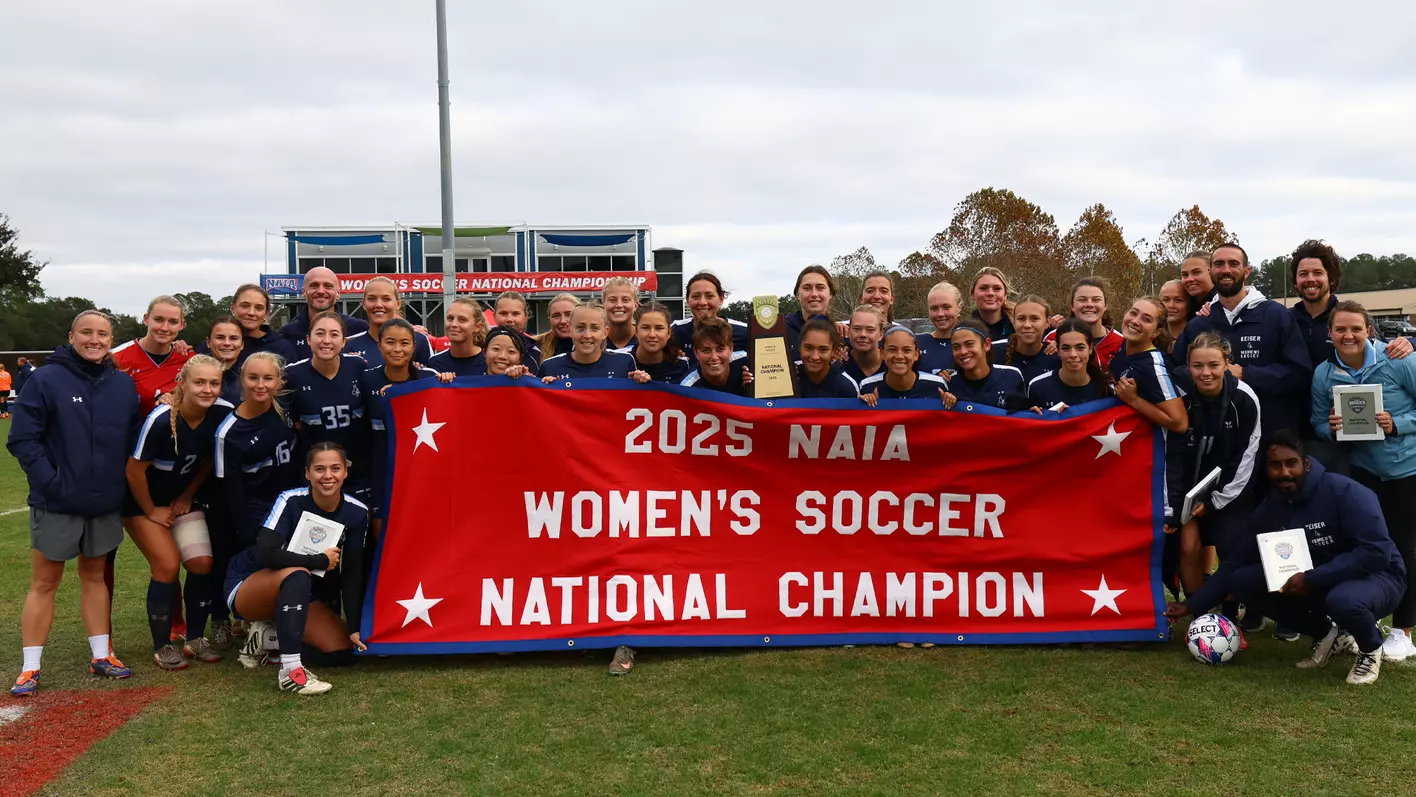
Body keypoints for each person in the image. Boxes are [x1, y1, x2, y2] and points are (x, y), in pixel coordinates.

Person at [1166, 432, 1405, 686]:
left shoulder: (1346, 492)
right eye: (1275, 465)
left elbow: (1376, 553)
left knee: (1343, 600)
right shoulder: (1273, 505)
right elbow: (1237, 560)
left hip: (1380, 576)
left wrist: (1313, 578)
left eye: (1291, 463)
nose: (1284, 472)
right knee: (1242, 581)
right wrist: (1192, 605)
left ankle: (1370, 649)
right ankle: (1328, 635)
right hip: (1321, 576)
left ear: (1306, 464)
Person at [7, 310, 141, 695]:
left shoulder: (121, 385)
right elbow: (22, 440)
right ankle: (30, 667)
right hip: (57, 501)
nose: (94, 339)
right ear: (71, 335)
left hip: (104, 502)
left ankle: (102, 655)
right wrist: (51, 482)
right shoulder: (46, 378)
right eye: (87, 332)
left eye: (102, 333)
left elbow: (131, 442)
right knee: (45, 582)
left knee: (94, 577)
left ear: (111, 338)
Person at [1310, 301, 1416, 661]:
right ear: (1330, 335)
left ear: (1368, 330)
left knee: (1405, 547)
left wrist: (1398, 424)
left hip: (1406, 469)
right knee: (1364, 548)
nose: (1348, 335)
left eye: (1355, 328)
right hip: (1363, 473)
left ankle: (1403, 631)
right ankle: (1359, 622)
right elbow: (1318, 424)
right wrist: (1333, 430)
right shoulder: (1325, 373)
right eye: (1340, 329)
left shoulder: (1398, 358)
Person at [226, 442, 368, 695]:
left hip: (300, 590)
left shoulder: (357, 512)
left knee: (341, 651)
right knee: (298, 574)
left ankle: (268, 636)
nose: (328, 476)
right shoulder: (290, 500)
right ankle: (290, 672)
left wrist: (355, 626)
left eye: (335, 468)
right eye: (319, 469)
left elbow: (352, 572)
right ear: (307, 473)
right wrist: (317, 561)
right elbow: (264, 553)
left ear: (345, 471)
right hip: (251, 582)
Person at [124, 355, 235, 670]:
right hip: (141, 503)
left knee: (201, 562)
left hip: (179, 501)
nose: (207, 389)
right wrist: (150, 510)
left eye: (214, 383)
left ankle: (195, 639)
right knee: (167, 564)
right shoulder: (161, 420)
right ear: (181, 385)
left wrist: (187, 494)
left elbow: (210, 461)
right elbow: (134, 472)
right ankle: (162, 646)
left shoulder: (222, 413)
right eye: (199, 382)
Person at [1289, 240, 1413, 474]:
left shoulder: (1346, 316)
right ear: (1295, 281)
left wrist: (1408, 343)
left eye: (1318, 272)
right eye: (1303, 274)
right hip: (1305, 428)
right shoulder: (1284, 320)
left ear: (1331, 278)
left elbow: (1379, 351)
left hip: (1355, 436)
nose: (1310, 279)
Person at [1175, 243, 1311, 441]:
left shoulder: (1275, 315)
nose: (1226, 270)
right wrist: (1208, 375)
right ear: (1211, 272)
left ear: (1246, 271)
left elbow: (1300, 373)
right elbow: (1177, 372)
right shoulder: (1199, 324)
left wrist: (1247, 374)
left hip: (1271, 436)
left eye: (1233, 264)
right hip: (1214, 437)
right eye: (1219, 264)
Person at [1164, 333, 1262, 600]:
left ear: (1227, 363)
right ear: (1188, 365)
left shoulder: (1244, 398)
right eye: (1197, 366)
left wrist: (1216, 501)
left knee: (1231, 546)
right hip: (1187, 493)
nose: (1205, 373)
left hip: (1227, 491)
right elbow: (1168, 455)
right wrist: (1174, 504)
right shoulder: (1177, 394)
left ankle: (1230, 616)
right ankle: (1198, 612)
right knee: (1188, 544)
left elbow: (1246, 458)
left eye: (1213, 365)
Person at [360, 319, 453, 532]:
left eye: (404, 343)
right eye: (390, 342)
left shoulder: (430, 379)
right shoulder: (366, 379)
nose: (397, 349)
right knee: (383, 538)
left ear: (414, 346)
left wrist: (448, 383)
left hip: (421, 472)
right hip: (381, 471)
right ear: (379, 345)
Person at [283, 312, 372, 503]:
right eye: (320, 333)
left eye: (334, 334)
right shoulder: (292, 375)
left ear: (344, 341)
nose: (326, 341)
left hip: (358, 468)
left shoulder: (358, 366)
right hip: (318, 472)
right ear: (308, 339)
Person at [215, 352, 298, 553]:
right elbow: (230, 492)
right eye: (253, 378)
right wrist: (246, 535)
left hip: (293, 503)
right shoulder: (229, 433)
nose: (260, 385)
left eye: (268, 378)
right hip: (258, 512)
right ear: (242, 380)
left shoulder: (286, 407)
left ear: (279, 382)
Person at [1112, 297, 1188, 434]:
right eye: (1133, 313)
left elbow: (1180, 423)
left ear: (1157, 331)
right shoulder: (1123, 346)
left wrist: (1134, 400)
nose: (1135, 321)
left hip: (1154, 448)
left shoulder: (1154, 367)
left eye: (1146, 319)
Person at [112, 295, 196, 415]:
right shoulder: (116, 357)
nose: (165, 328)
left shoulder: (189, 359)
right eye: (158, 320)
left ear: (182, 325)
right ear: (146, 319)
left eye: (173, 322)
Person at [279, 267, 369, 360]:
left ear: (338, 293)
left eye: (328, 286)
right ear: (304, 292)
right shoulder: (287, 334)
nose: (321, 291)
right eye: (314, 286)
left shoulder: (359, 329)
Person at [1025, 319, 1114, 412]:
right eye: (1065, 348)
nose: (1073, 355)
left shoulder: (1106, 388)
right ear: (1058, 350)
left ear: (1090, 348)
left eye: (1080, 348)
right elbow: (1026, 423)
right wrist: (1031, 415)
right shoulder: (1038, 387)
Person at [342, 277, 434, 367]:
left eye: (386, 299)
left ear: (397, 304)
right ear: (364, 304)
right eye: (372, 299)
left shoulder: (419, 340)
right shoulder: (348, 344)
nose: (378, 305)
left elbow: (432, 379)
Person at [940, 321, 1028, 410]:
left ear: (987, 344)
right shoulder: (949, 382)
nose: (963, 352)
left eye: (969, 344)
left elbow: (1023, 416)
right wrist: (947, 402)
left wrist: (1032, 412)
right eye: (956, 347)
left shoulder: (1011, 376)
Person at [204, 284, 296, 368]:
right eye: (245, 306)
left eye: (258, 308)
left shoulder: (281, 348)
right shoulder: (214, 344)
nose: (251, 313)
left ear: (266, 313)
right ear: (233, 308)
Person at [539, 304, 639, 381]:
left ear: (605, 332)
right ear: (568, 330)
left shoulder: (624, 362)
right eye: (580, 328)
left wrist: (642, 380)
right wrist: (547, 388)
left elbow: (636, 398)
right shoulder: (550, 367)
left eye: (594, 328)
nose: (587, 335)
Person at [1043, 278, 1124, 370]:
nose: (1089, 304)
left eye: (1096, 300)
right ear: (1072, 306)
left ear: (1105, 305)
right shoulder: (1053, 337)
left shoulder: (1121, 343)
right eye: (1082, 300)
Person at [859, 327, 953, 404]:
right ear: (882, 353)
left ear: (916, 354)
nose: (899, 356)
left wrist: (951, 402)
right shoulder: (868, 386)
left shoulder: (937, 385)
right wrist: (865, 404)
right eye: (892, 350)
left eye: (907, 350)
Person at [671, 272, 749, 363]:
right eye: (695, 296)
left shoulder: (745, 333)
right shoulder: (674, 332)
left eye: (709, 296)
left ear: (721, 299)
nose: (702, 302)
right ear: (688, 300)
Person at [681, 318, 754, 395]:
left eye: (720, 349)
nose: (714, 357)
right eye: (706, 350)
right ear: (696, 353)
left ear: (731, 349)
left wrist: (752, 389)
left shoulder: (749, 360)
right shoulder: (687, 388)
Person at [793, 319, 860, 399]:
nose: (815, 356)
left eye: (823, 350)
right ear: (799, 347)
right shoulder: (790, 378)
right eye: (809, 348)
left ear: (833, 351)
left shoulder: (846, 387)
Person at [1000, 295, 1061, 383]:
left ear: (1047, 322)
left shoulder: (1056, 358)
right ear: (1014, 321)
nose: (1027, 325)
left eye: (1035, 319)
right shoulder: (995, 352)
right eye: (1021, 319)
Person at [627, 303, 690, 384]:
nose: (652, 335)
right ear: (636, 331)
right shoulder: (621, 359)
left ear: (669, 333)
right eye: (645, 328)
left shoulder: (682, 365)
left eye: (659, 328)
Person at [426, 297, 489, 376]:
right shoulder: (434, 363)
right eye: (450, 318)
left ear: (477, 327)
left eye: (462, 320)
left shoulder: (490, 362)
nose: (454, 324)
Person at [785, 266, 835, 360]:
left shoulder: (840, 333)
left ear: (830, 293)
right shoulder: (781, 330)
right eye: (807, 288)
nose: (814, 294)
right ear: (797, 295)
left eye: (820, 288)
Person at [916, 281, 963, 374]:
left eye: (946, 307)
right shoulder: (916, 343)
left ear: (959, 307)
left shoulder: (972, 343)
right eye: (934, 308)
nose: (940, 314)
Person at [492, 291, 544, 371]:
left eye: (515, 314)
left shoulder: (538, 352)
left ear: (526, 317)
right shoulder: (481, 349)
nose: (509, 319)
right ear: (494, 316)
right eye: (503, 313)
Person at [206, 316, 246, 405]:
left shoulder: (250, 376)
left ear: (242, 344)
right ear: (208, 342)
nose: (227, 343)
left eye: (233, 338)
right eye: (220, 337)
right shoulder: (192, 371)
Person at [969, 267, 1015, 344]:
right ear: (972, 294)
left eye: (997, 289)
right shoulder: (965, 330)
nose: (990, 293)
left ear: (1005, 295)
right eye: (983, 288)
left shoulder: (1020, 327)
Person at [843, 305, 886, 384]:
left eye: (870, 330)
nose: (863, 334)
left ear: (881, 334)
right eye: (857, 329)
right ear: (848, 332)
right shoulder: (839, 364)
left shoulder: (891, 365)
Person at [534, 294, 581, 365]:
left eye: (569, 314)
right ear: (549, 319)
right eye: (556, 316)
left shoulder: (596, 345)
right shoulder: (535, 347)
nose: (563, 321)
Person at [602, 277, 640, 350]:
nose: (619, 305)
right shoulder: (594, 340)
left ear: (635, 305)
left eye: (625, 300)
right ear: (603, 304)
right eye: (612, 300)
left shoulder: (645, 339)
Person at [1179, 251, 1216, 318]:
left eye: (1196, 272)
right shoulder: (1186, 304)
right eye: (1185, 275)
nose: (1189, 279)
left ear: (1212, 272)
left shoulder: (1225, 303)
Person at [1159, 280, 1189, 355]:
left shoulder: (1197, 338)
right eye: (1166, 300)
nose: (1171, 305)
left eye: (1178, 300)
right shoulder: (1154, 340)